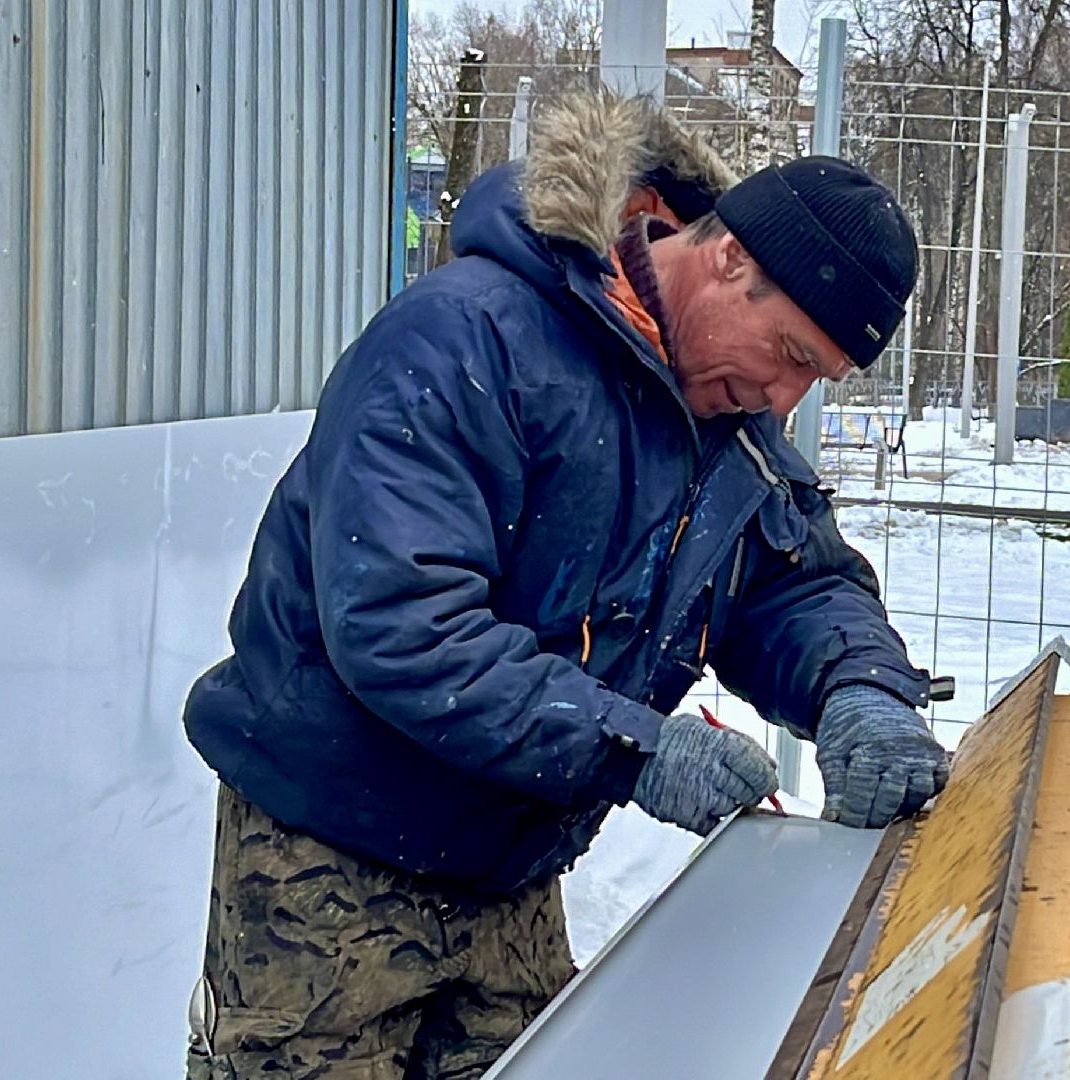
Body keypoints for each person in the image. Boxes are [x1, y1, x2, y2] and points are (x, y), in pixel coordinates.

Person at [181, 89, 949, 1080]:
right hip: (329, 851)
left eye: (817, 380)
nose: (784, 398)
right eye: (792, 356)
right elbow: (402, 625)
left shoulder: (728, 422)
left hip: (509, 867)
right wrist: (633, 749)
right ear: (728, 260)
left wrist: (861, 690)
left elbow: (792, 586)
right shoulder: (463, 341)